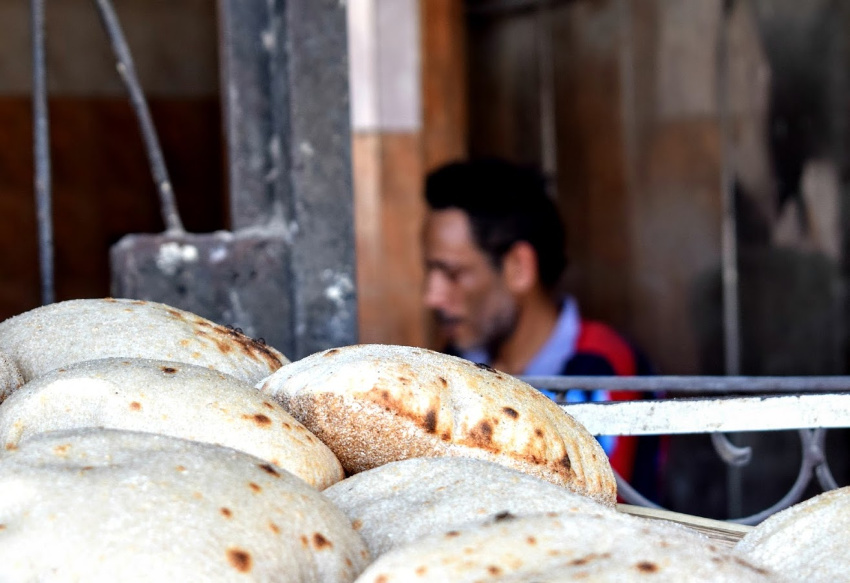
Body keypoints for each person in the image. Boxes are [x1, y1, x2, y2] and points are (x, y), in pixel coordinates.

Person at [421, 157, 658, 492]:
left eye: (453, 273)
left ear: (519, 267)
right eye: (430, 273)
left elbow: (594, 505)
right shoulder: (456, 361)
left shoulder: (603, 367)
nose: (432, 297)